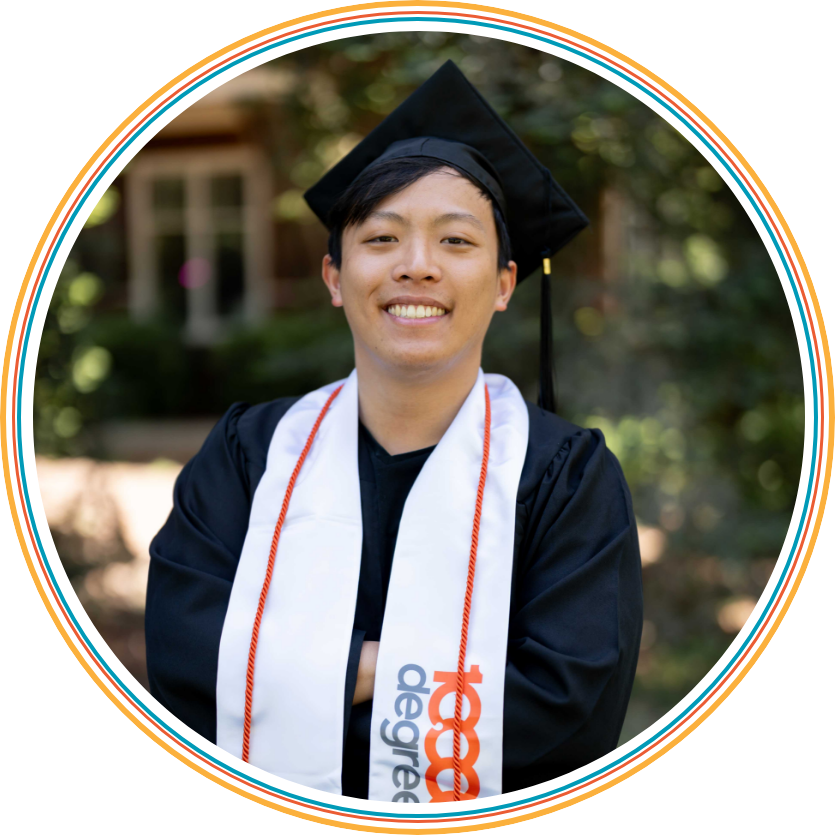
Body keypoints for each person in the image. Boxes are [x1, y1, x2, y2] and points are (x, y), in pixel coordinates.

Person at [145, 59, 643, 803]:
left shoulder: (565, 480)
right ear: (334, 277)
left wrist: (314, 681)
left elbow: (568, 712)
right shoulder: (250, 455)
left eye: (456, 242)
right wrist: (393, 673)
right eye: (381, 238)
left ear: (505, 283)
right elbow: (184, 658)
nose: (416, 266)